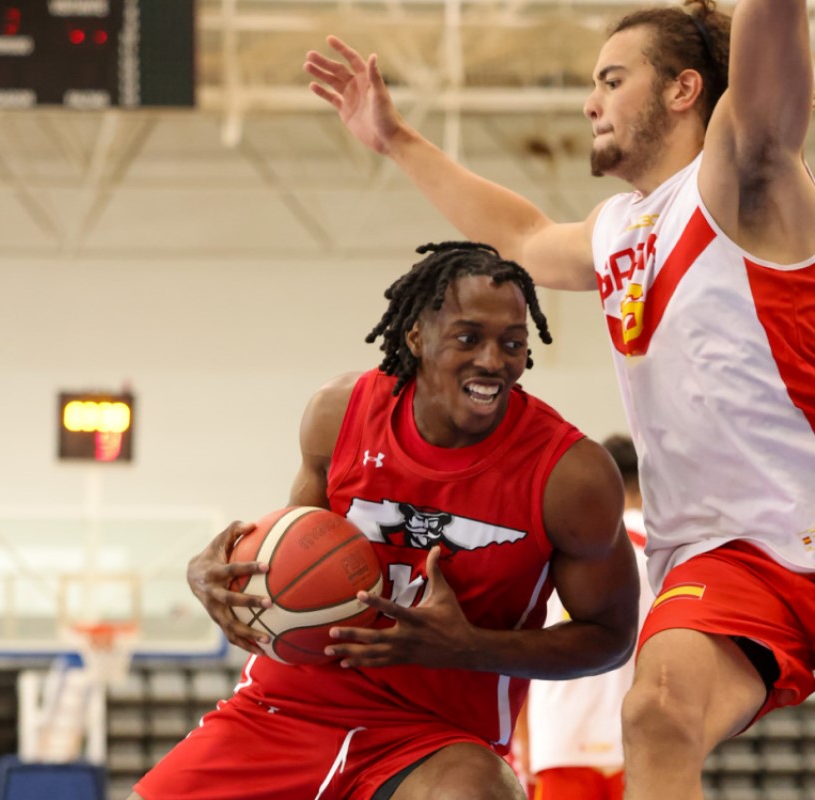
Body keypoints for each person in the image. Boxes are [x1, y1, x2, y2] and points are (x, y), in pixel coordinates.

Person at [304, 0, 815, 795]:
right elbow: (520, 237)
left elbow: (771, 46)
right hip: (728, 560)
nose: (589, 103)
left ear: (684, 90)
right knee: (658, 710)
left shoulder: (741, 178)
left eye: (611, 80)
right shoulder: (618, 231)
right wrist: (396, 138)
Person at [130, 242, 640, 800]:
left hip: (435, 737)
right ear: (416, 336)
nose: (494, 361)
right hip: (282, 708)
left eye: (512, 343)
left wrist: (470, 647)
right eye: (469, 338)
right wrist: (213, 573)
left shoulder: (572, 476)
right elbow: (289, 553)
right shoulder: (338, 415)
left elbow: (610, 639)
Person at [517, 434, 654, 800]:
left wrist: (525, 740)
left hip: (561, 737)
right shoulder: (664, 554)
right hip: (640, 738)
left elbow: (523, 647)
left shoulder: (560, 545)